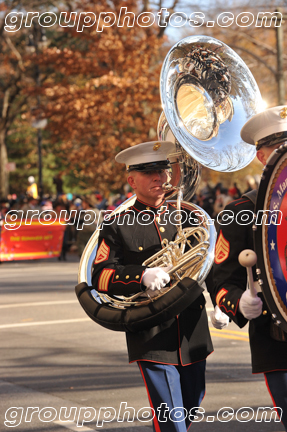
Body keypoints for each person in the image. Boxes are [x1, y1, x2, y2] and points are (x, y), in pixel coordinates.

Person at [92, 141, 213, 432]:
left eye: (161, 170)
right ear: (132, 180)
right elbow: (100, 274)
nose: (159, 177)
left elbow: (208, 261)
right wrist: (140, 275)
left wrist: (221, 303)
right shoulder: (117, 224)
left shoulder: (188, 215)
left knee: (191, 402)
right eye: (149, 173)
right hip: (150, 329)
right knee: (171, 417)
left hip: (192, 326)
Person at [211, 106, 287, 430]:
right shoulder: (240, 210)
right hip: (278, 339)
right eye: (280, 149)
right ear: (261, 157)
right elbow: (220, 279)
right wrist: (238, 301)